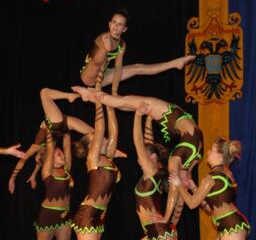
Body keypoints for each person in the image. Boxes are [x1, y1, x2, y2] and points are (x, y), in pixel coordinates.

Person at [116, 105, 204, 240]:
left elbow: (139, 143)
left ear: (153, 159)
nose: (139, 158)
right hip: (153, 233)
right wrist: (148, 120)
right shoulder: (151, 173)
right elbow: (147, 143)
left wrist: (137, 116)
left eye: (144, 156)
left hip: (160, 231)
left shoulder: (151, 172)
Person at [73, 86, 203, 223]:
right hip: (182, 124)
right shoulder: (179, 161)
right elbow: (177, 194)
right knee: (125, 102)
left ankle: (94, 95)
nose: (140, 160)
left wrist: (169, 220)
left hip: (184, 126)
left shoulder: (180, 161)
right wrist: (170, 220)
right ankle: (95, 95)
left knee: (126, 103)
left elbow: (177, 193)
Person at [69, 92, 120, 240]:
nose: (105, 139)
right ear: (92, 145)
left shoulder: (107, 158)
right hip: (88, 214)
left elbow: (113, 131)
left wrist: (110, 103)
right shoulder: (93, 159)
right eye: (100, 140)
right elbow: (100, 130)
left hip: (98, 215)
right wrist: (99, 101)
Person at [80, 9, 194, 93]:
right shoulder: (103, 37)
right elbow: (98, 62)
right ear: (109, 24)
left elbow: (118, 68)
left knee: (138, 68)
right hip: (88, 75)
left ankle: (174, 64)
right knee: (98, 61)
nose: (116, 26)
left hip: (104, 76)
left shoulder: (122, 44)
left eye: (120, 24)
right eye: (114, 22)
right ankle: (105, 53)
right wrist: (98, 89)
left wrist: (114, 92)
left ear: (124, 29)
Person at [31, 129, 74, 240]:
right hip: (48, 215)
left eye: (61, 153)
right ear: (50, 157)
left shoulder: (66, 170)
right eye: (58, 154)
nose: (62, 154)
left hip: (65, 216)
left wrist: (66, 129)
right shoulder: (47, 172)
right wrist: (50, 131)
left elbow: (67, 147)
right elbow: (50, 148)